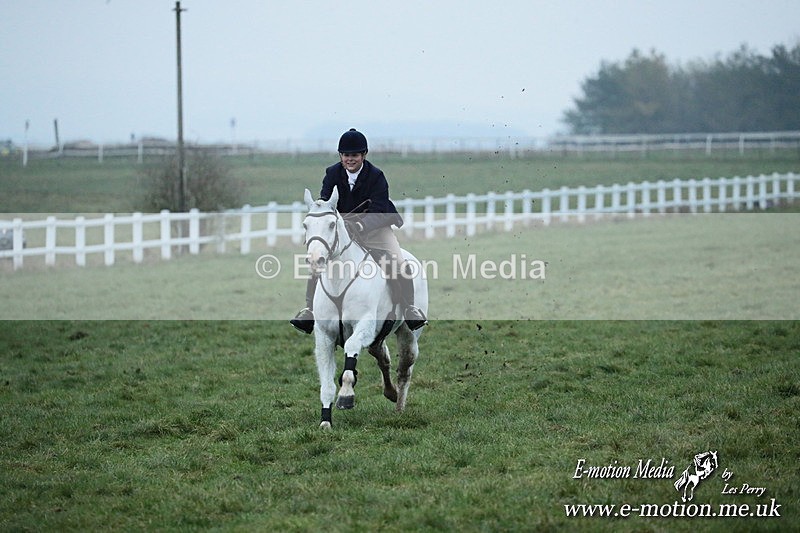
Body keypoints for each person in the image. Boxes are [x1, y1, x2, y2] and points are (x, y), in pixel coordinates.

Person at [290, 128, 428, 333]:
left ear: (363, 155)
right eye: (346, 155)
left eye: (354, 155)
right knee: (317, 260)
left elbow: (379, 209)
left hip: (375, 228)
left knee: (397, 262)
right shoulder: (332, 173)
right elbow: (327, 205)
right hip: (342, 230)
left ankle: (410, 309)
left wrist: (361, 225)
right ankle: (309, 311)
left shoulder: (376, 176)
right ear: (341, 156)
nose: (350, 159)